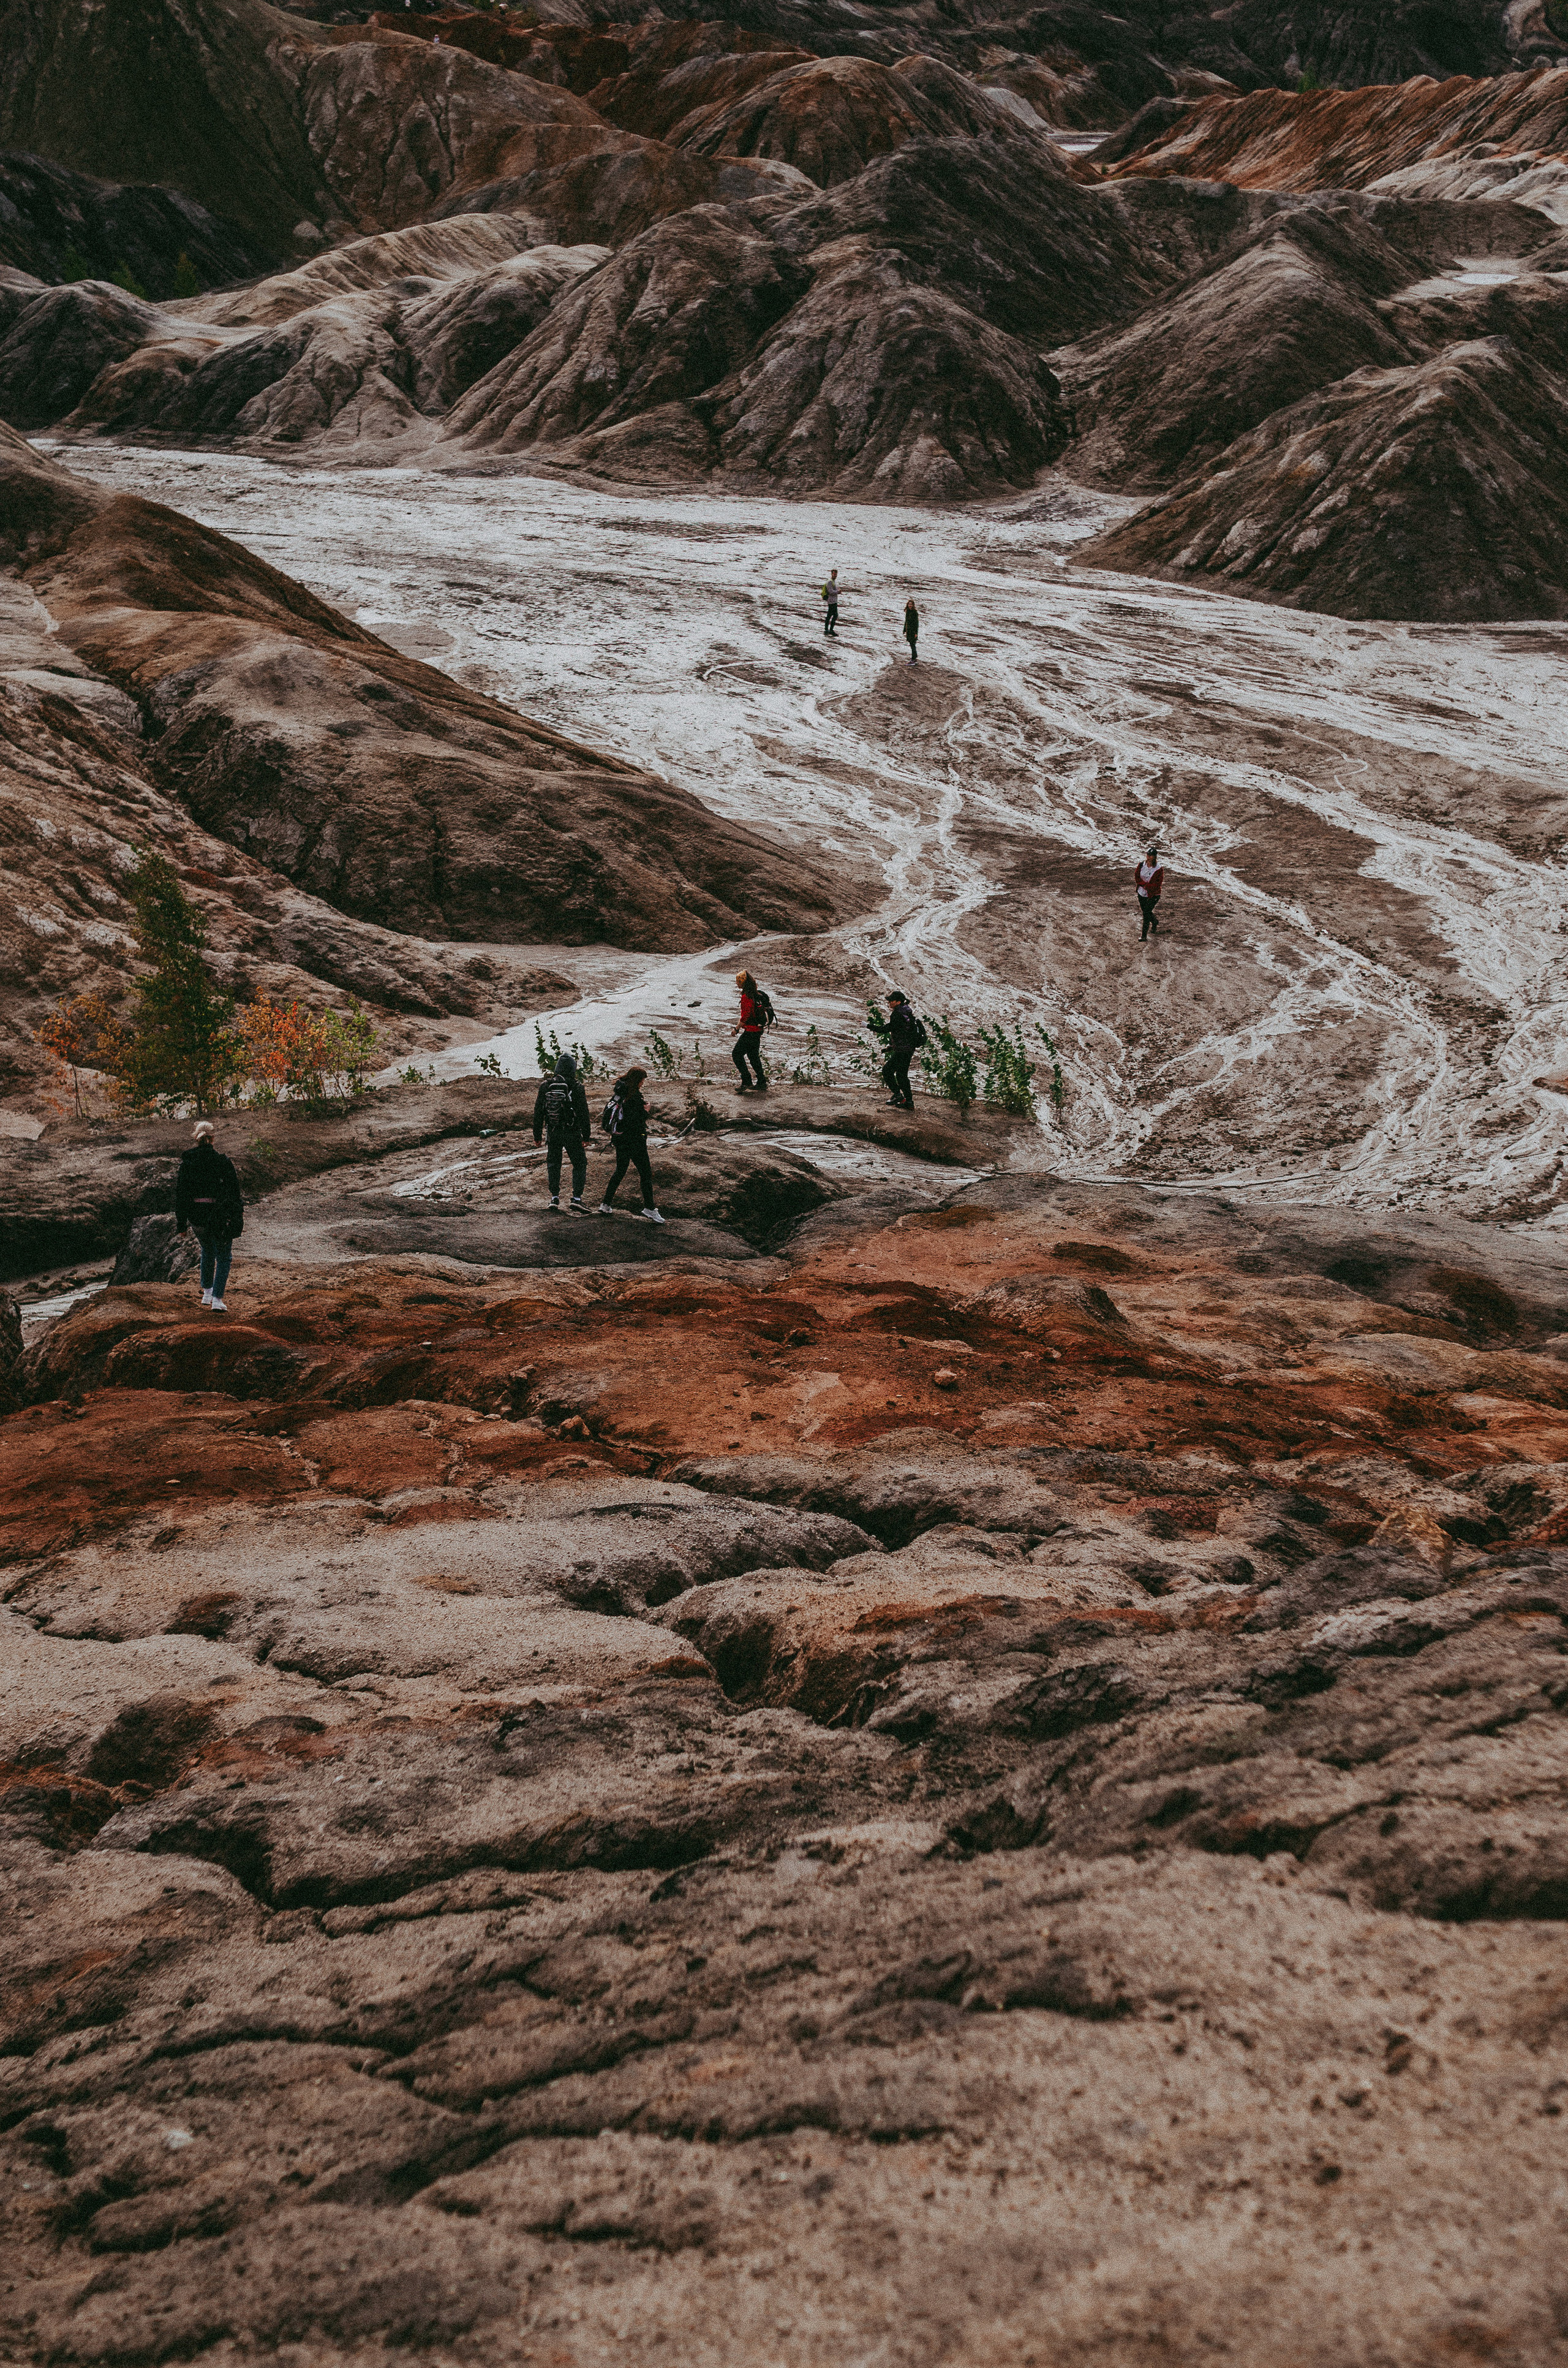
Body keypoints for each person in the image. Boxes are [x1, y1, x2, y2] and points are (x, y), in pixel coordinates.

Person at [174, 1119, 244, 1312]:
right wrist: (237, 1216)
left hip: (197, 1218)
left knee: (207, 1250)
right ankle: (217, 1300)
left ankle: (207, 1293)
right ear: (213, 1138)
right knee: (224, 1257)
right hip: (219, 1217)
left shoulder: (187, 1163)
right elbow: (234, 1192)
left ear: (196, 1139)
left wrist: (181, 1224)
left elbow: (181, 1193)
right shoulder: (222, 1161)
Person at [598, 1067, 665, 1222]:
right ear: (638, 1080)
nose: (643, 1083)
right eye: (642, 1080)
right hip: (634, 1141)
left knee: (620, 1171)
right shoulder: (633, 1096)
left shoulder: (620, 1092)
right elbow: (633, 1120)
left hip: (620, 1140)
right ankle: (649, 1208)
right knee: (646, 1174)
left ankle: (606, 1204)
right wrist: (646, 1110)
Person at [532, 1050, 591, 1210]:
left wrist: (537, 1135)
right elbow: (583, 1112)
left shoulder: (546, 1085)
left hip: (553, 1131)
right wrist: (586, 1135)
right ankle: (576, 1199)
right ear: (573, 1069)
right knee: (580, 1163)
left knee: (553, 1163)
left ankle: (554, 1198)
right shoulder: (577, 1086)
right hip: (572, 1132)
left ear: (557, 1069)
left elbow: (538, 1111)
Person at [870, 991, 925, 1108]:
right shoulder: (907, 1012)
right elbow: (902, 1032)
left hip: (903, 1050)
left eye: (891, 1001)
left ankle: (898, 1096)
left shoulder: (898, 1014)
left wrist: (867, 1026)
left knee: (887, 1071)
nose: (889, 1002)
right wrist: (892, 1046)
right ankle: (909, 1102)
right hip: (908, 1048)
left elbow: (886, 1029)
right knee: (901, 1075)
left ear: (898, 1002)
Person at [732, 969, 770, 1092]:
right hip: (758, 1030)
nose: (737, 983)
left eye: (738, 981)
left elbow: (745, 1017)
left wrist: (736, 1029)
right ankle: (762, 1082)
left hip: (751, 1031)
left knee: (737, 1054)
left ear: (742, 983)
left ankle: (747, 1080)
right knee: (753, 1056)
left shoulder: (746, 997)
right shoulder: (755, 994)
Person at [1136, 845, 1164, 941]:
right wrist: (1143, 885)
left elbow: (1158, 884)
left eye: (1151, 855)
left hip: (1154, 895)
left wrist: (1147, 887)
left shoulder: (1159, 869)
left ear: (1155, 857)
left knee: (1146, 914)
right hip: (1141, 893)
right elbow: (1137, 877)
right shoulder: (1141, 865)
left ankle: (1144, 936)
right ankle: (1155, 922)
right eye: (1148, 855)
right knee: (1146, 912)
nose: (1148, 857)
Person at [821, 568, 839, 636]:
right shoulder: (830, 582)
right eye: (834, 574)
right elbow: (831, 592)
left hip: (834, 601)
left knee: (832, 615)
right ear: (832, 574)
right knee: (833, 615)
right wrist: (838, 592)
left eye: (836, 574)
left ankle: (828, 630)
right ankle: (829, 630)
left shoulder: (834, 581)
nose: (835, 575)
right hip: (831, 601)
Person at [903, 597, 919, 664]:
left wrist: (916, 633)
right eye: (909, 604)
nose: (910, 605)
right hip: (909, 631)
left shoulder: (915, 613)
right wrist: (904, 630)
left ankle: (914, 659)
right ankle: (914, 658)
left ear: (913, 605)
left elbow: (916, 623)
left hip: (913, 631)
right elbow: (906, 621)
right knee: (912, 644)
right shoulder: (908, 612)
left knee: (913, 644)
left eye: (911, 604)